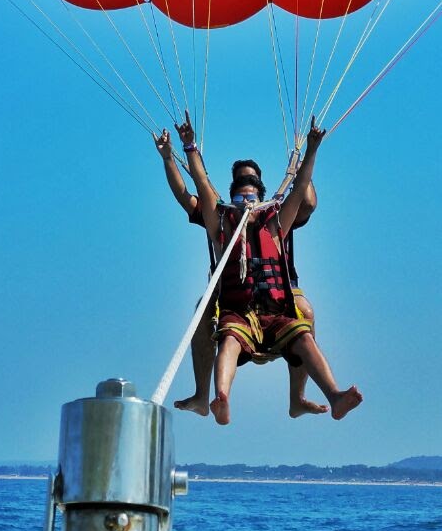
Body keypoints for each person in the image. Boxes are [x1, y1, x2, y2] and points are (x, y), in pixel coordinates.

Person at [174, 111, 362, 425]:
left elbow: (302, 192)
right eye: (238, 195)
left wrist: (311, 149)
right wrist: (187, 148)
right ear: (231, 198)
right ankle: (220, 396)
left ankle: (333, 396)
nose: (245, 200)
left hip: (276, 310)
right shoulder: (221, 224)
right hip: (239, 311)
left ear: (261, 198)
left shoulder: (274, 223)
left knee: (303, 331)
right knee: (228, 339)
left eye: (250, 195)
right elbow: (199, 185)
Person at [153, 131, 327, 418]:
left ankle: (298, 397)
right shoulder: (222, 215)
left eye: (252, 184)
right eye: (240, 185)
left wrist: (303, 160)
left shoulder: (275, 215)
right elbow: (188, 194)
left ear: (261, 190)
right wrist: (171, 157)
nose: (246, 196)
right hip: (232, 293)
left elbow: (306, 200)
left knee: (305, 310)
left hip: (279, 291)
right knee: (202, 311)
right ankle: (203, 394)